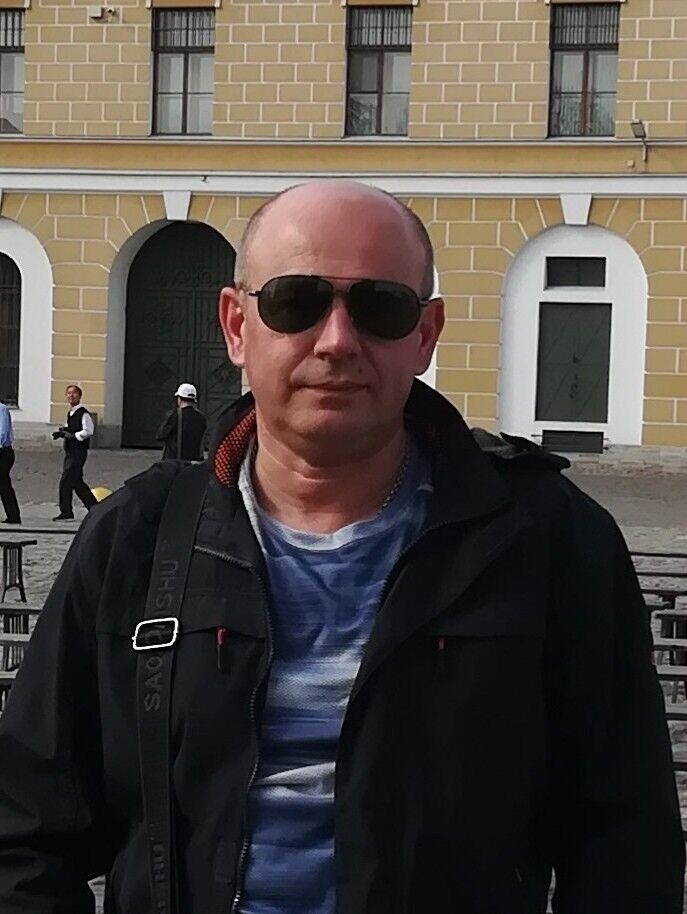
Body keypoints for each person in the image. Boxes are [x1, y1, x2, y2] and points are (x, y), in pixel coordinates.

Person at [0, 181, 682, 914]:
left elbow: (624, 844)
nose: (336, 340)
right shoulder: (137, 538)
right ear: (236, 326)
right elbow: (27, 827)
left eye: (379, 307)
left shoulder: (547, 540)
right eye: (294, 301)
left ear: (425, 335)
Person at [51, 383, 97, 520]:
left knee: (66, 481)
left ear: (79, 396)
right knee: (77, 482)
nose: (71, 395)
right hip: (70, 451)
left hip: (78, 451)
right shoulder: (70, 413)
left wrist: (75, 436)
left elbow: (88, 431)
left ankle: (66, 511)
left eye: (74, 393)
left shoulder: (83, 413)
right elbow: (70, 427)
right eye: (69, 393)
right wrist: (62, 433)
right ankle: (95, 507)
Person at [155, 382, 207, 461]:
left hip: (174, 461)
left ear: (179, 399)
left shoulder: (175, 415)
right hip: (194, 461)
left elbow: (160, 435)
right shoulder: (201, 417)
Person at [0, 400, 20, 524]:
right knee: (3, 484)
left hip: (3, 452)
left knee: (3, 483)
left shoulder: (2, 409)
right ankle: (13, 515)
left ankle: (13, 515)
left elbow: (3, 432)